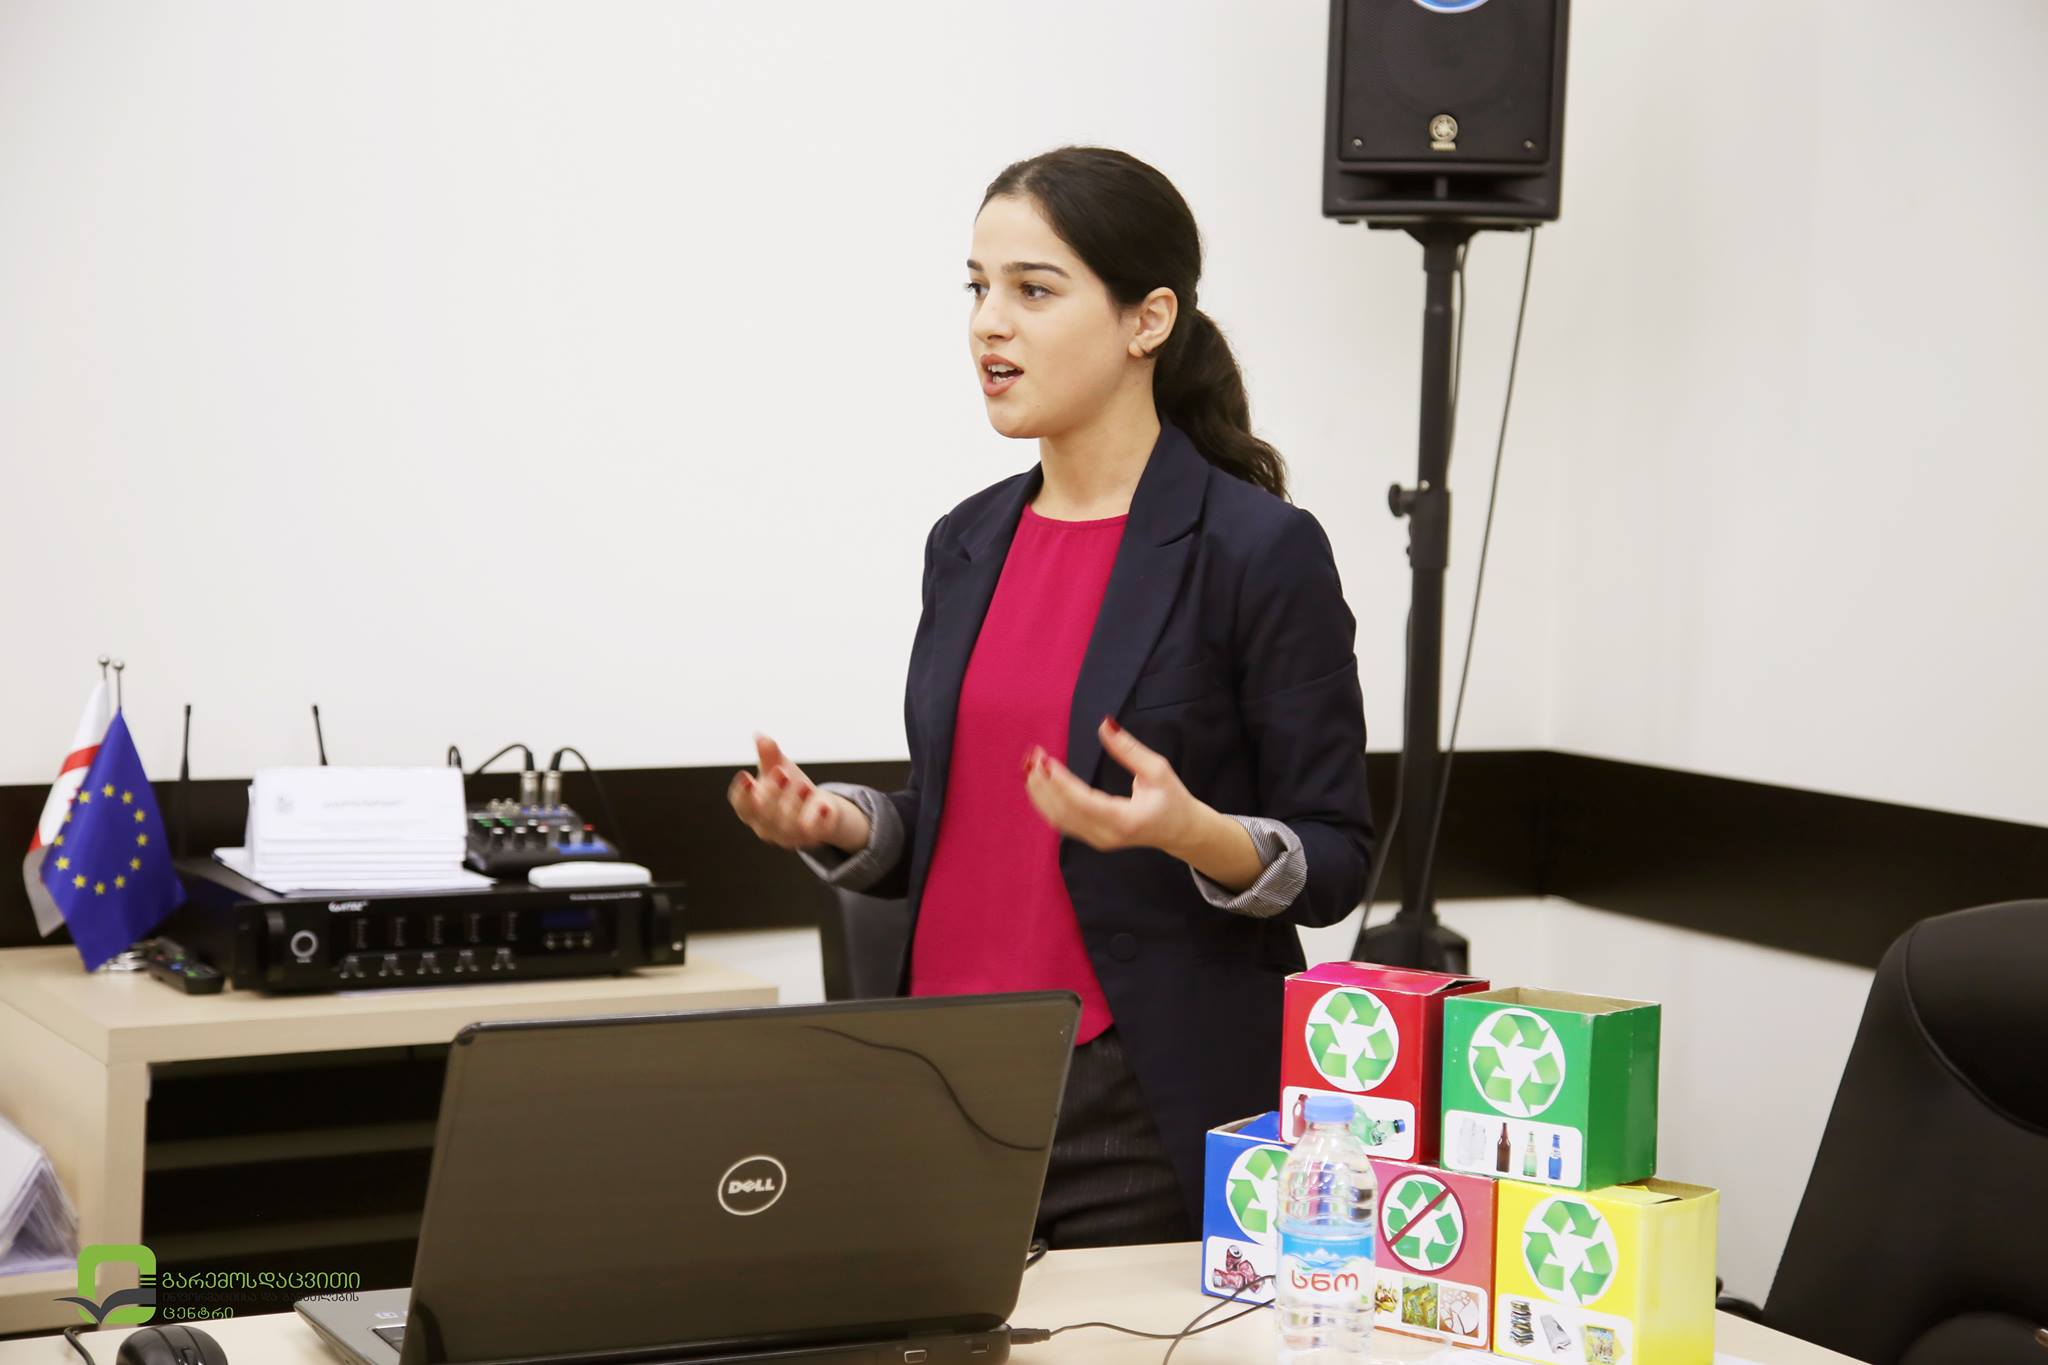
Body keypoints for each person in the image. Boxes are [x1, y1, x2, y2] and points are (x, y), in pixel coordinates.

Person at [729, 145, 1374, 1247]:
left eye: (1032, 290)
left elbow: (1337, 857)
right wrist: (841, 823)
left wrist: (1192, 831)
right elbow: (968, 818)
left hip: (1134, 1102)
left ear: (1147, 320)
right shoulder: (966, 541)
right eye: (977, 287)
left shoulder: (1257, 549)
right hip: (938, 1079)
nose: (989, 323)